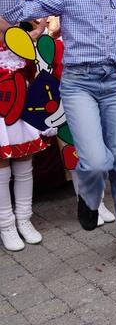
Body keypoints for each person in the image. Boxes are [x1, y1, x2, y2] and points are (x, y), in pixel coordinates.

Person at [0, 0, 116, 262]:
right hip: (80, 84)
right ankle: (89, 200)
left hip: (114, 85)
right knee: (94, 160)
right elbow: (13, 13)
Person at [0, 18, 50, 251]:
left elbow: (31, 71)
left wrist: (35, 34)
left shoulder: (18, 38)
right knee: (1, 167)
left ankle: (24, 218)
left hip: (19, 108)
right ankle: (6, 224)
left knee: (24, 163)